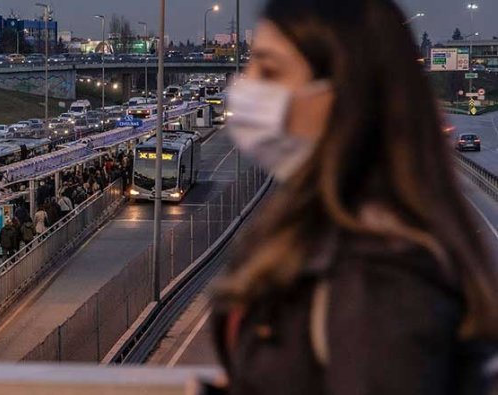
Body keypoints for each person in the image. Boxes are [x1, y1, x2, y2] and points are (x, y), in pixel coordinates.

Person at [213, 1, 498, 395]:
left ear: (345, 95)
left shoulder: (383, 290)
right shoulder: (319, 228)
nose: (243, 87)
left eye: (269, 71)